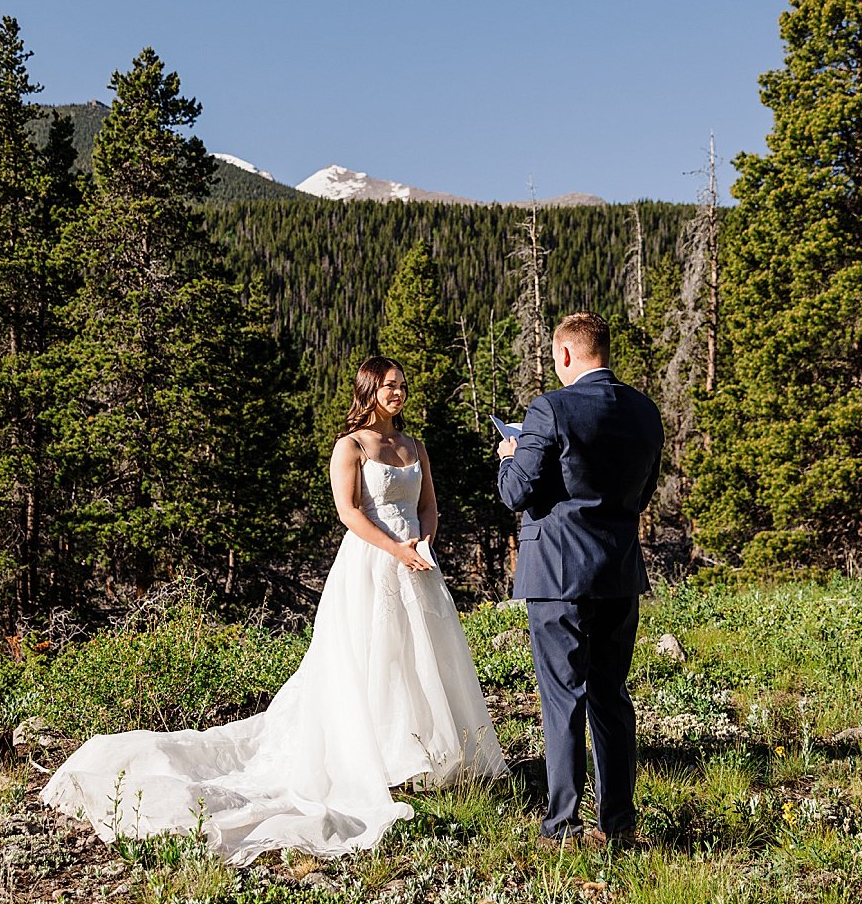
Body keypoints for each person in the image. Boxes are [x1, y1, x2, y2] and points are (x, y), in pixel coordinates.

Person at [42, 356, 506, 864]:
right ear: (369, 390)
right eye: (389, 386)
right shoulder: (349, 447)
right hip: (371, 565)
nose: (398, 394)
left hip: (418, 560)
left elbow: (428, 503)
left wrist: (425, 539)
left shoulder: (413, 446)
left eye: (402, 386)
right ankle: (381, 761)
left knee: (424, 658)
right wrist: (396, 549)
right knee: (374, 660)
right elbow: (349, 512)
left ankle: (426, 756)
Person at [496, 312, 664, 847]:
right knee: (610, 695)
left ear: (565, 354)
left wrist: (509, 456)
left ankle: (562, 825)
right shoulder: (644, 410)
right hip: (617, 569)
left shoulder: (550, 408)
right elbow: (642, 493)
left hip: (556, 572)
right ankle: (618, 824)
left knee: (563, 697)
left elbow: (517, 492)